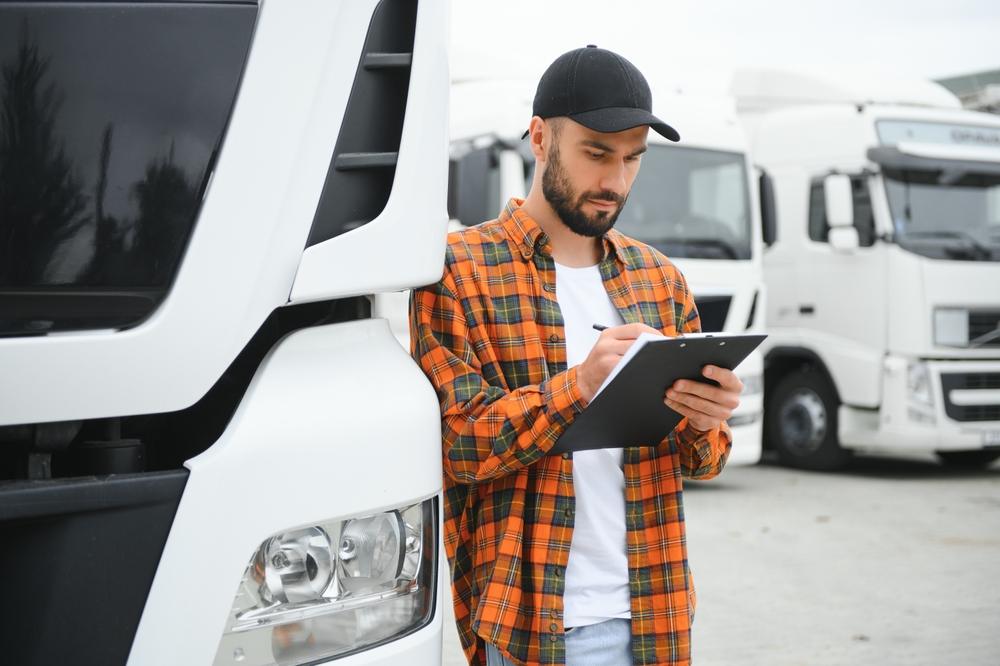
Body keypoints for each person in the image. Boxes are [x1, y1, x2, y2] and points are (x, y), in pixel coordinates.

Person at [410, 46, 743, 666]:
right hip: (532, 624)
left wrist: (706, 420)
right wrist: (581, 385)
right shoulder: (458, 271)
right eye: (596, 153)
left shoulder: (658, 279)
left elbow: (703, 462)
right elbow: (458, 446)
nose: (615, 181)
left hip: (656, 615)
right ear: (540, 138)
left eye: (632, 158)